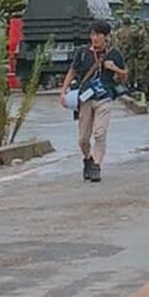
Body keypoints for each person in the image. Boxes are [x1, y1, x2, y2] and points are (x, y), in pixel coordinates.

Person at [60, 20, 128, 183]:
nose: (95, 38)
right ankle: (88, 159)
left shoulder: (114, 53)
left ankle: (96, 166)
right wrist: (63, 90)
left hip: (104, 98)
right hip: (85, 99)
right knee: (83, 139)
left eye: (98, 34)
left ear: (106, 37)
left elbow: (125, 75)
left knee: (99, 133)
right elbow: (72, 71)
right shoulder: (83, 53)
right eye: (92, 34)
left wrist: (114, 69)